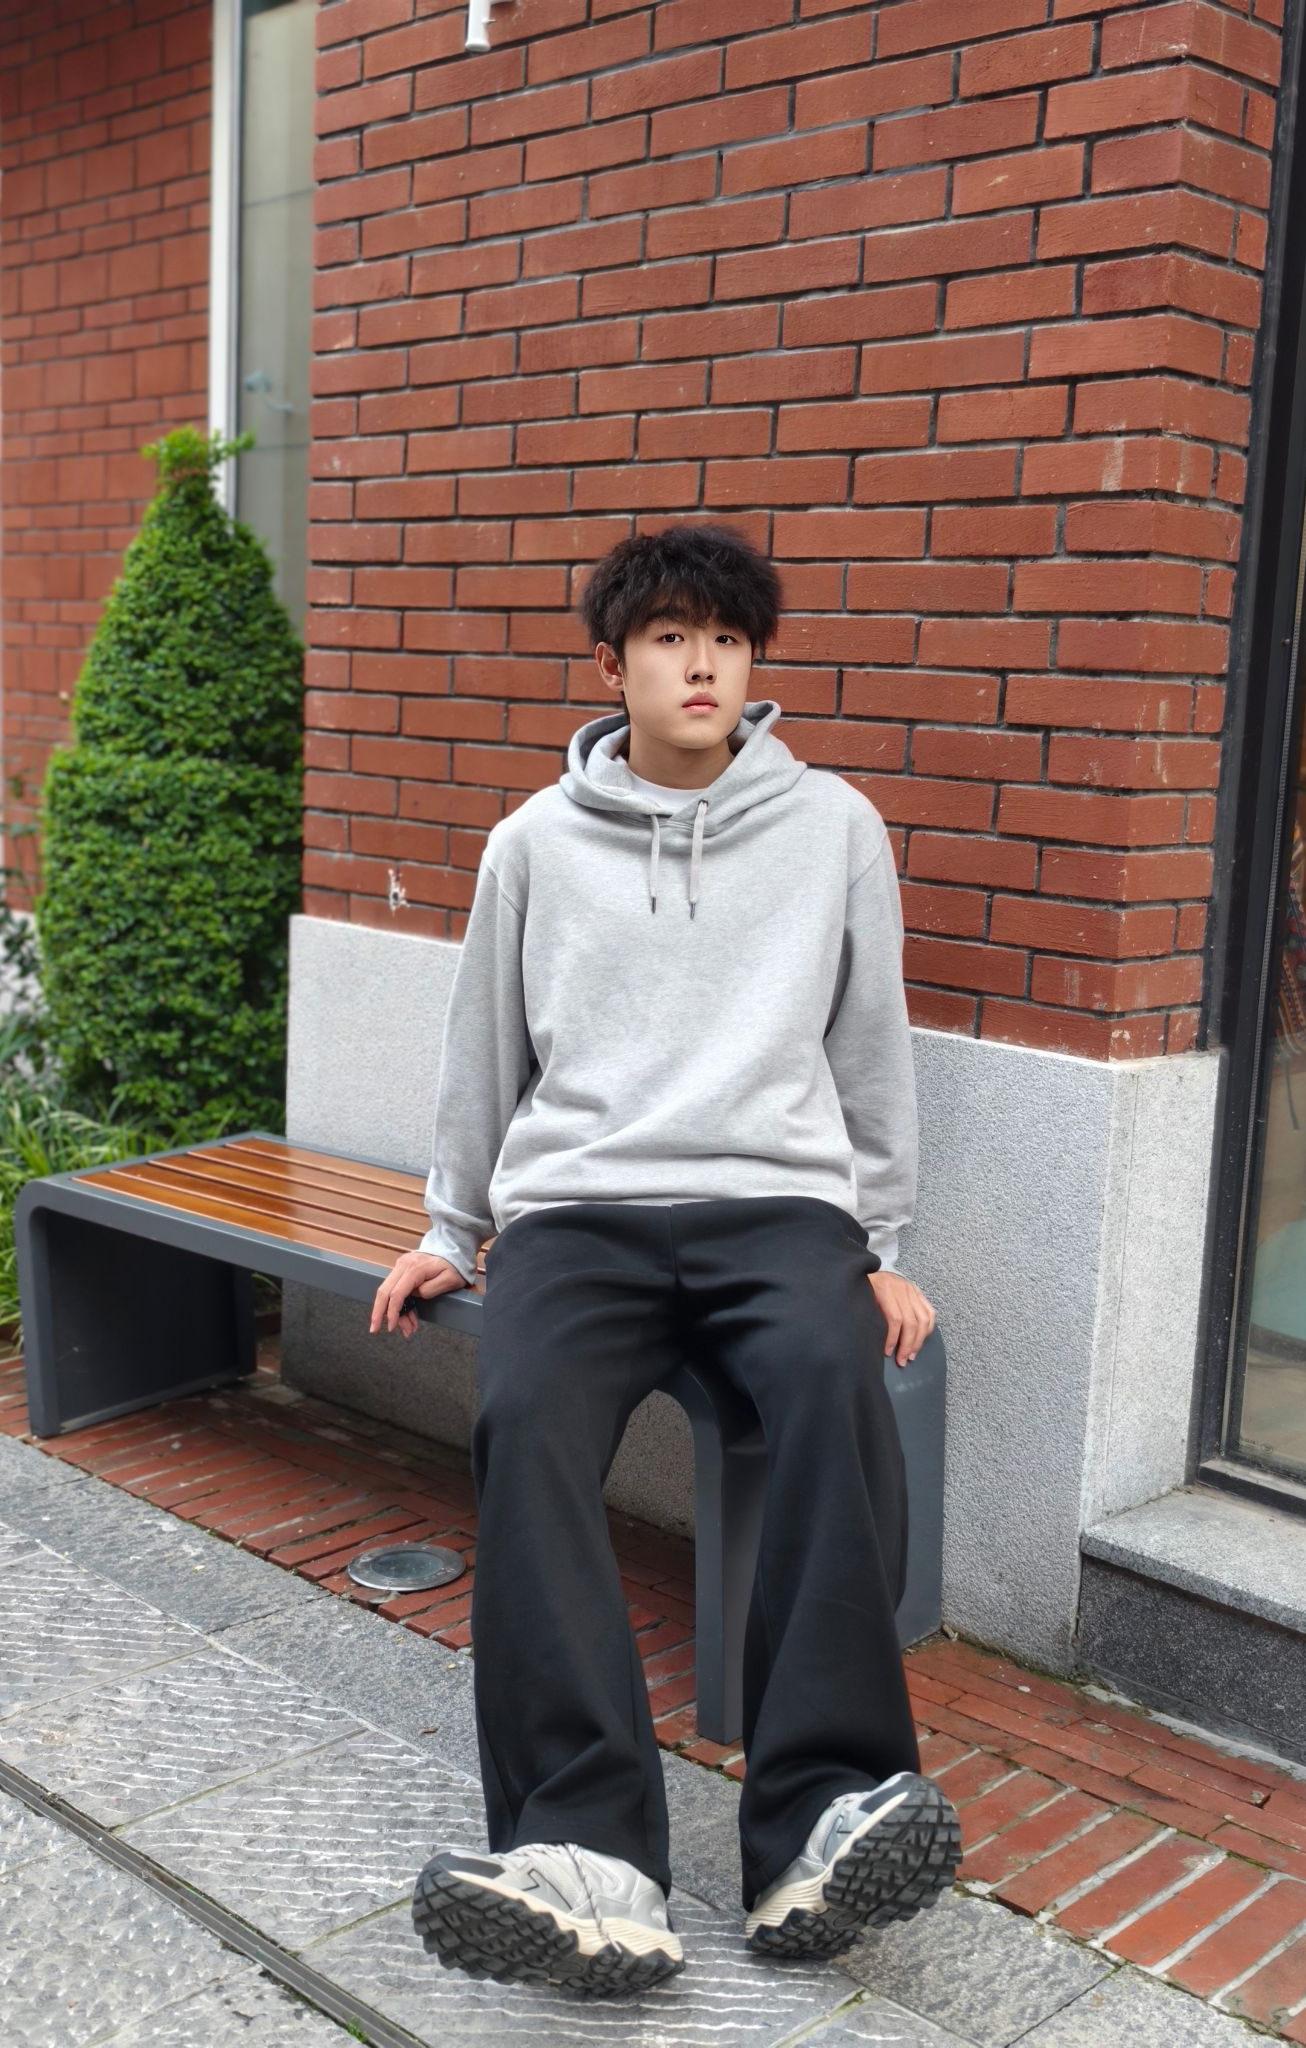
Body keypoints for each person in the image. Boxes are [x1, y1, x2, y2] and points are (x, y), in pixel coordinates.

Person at [368, 523, 961, 1996]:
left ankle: (819, 1816)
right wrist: (450, 1230)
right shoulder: (533, 842)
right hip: (580, 1215)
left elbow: (869, 1044)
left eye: (727, 640)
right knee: (525, 1418)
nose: (702, 664)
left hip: (780, 1209)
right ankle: (585, 1854)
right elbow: (482, 1048)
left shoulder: (835, 827)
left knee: (833, 1381)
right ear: (612, 663)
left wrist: (880, 1244)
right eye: (669, 637)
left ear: (754, 665)